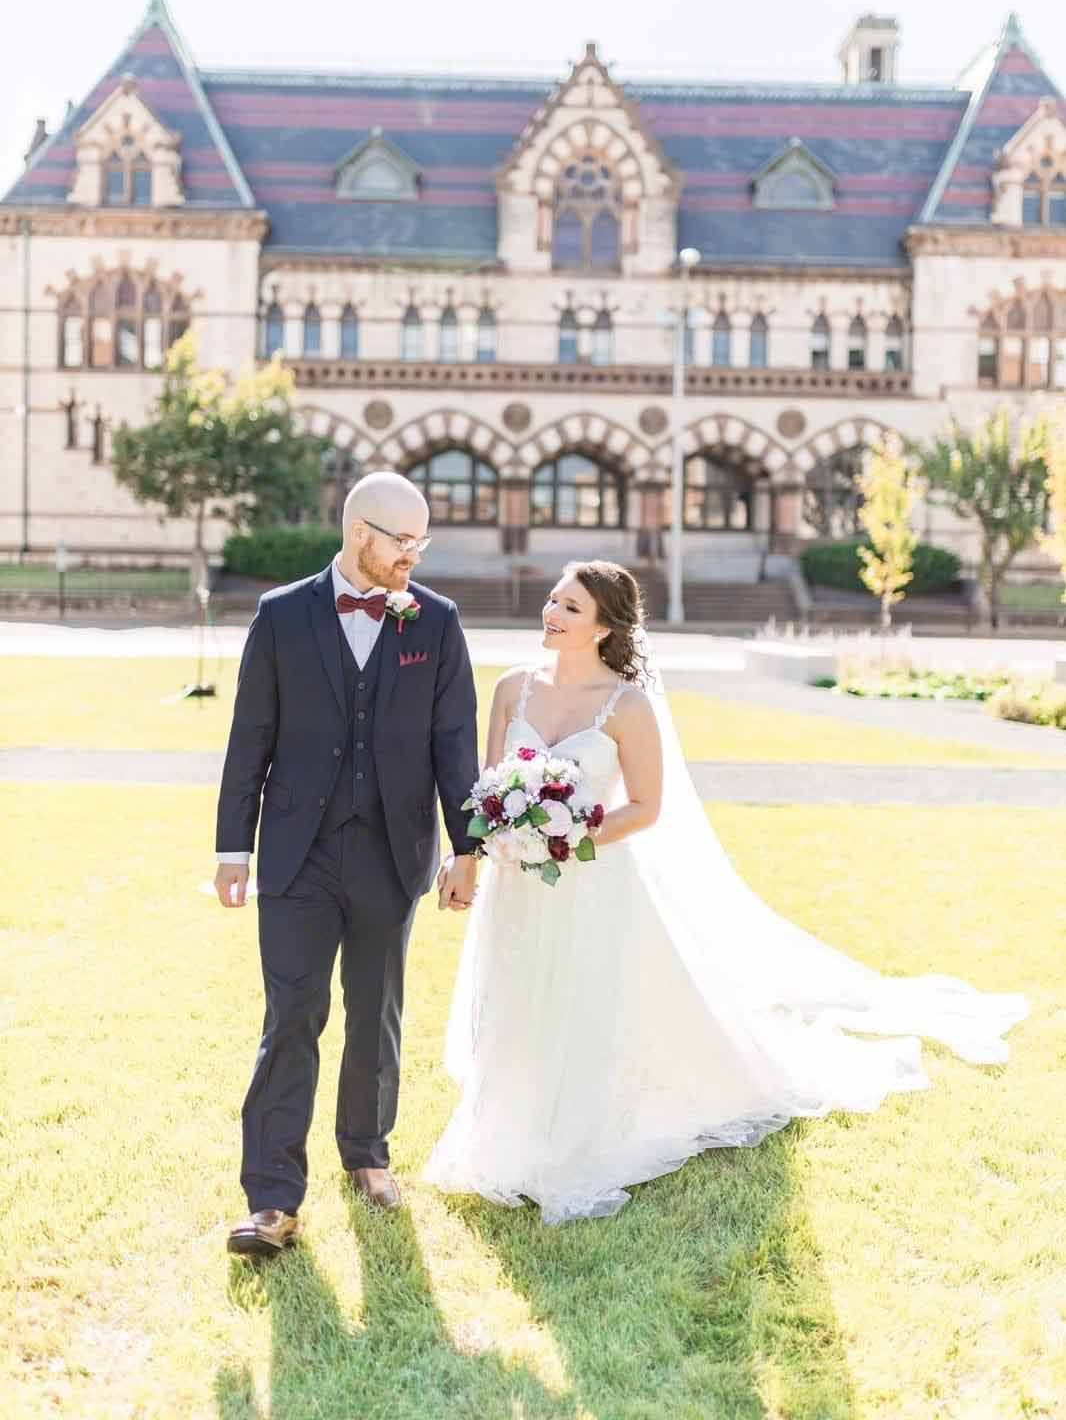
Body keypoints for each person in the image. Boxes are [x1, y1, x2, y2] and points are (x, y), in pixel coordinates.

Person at [423, 559, 1029, 1226]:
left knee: (583, 997)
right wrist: (485, 850)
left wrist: (571, 838)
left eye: (570, 607)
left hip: (592, 881)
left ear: (602, 628)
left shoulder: (626, 704)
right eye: (553, 601)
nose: (551, 613)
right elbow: (489, 787)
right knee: (516, 994)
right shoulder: (513, 688)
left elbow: (647, 807)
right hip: (518, 884)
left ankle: (575, 1137)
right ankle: (509, 1122)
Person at [215, 472, 479, 1256]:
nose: (414, 556)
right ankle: (271, 1199)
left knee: (377, 1013)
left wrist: (467, 847)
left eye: (421, 543)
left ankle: (366, 1154)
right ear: (362, 532)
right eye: (405, 541)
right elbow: (249, 738)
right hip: (297, 854)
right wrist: (235, 847)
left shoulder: (436, 622)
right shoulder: (281, 616)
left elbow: (454, 743)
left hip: (393, 853)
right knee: (290, 1017)